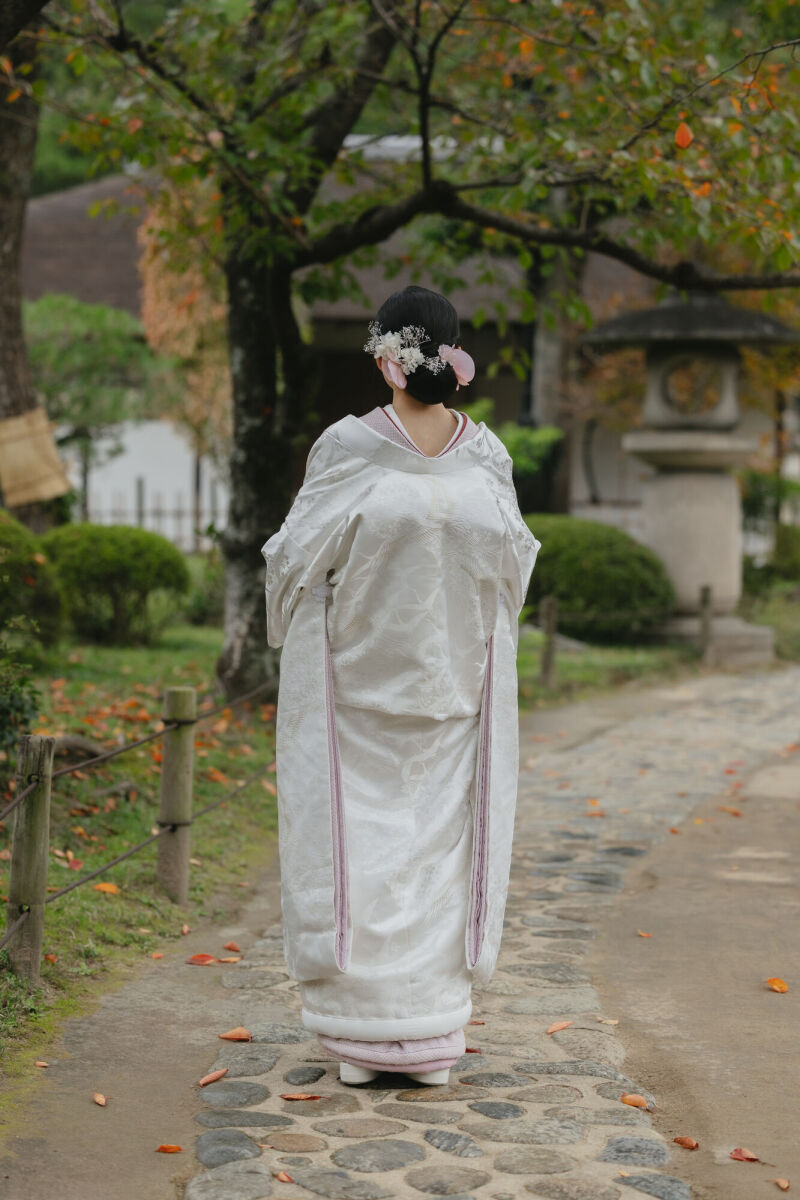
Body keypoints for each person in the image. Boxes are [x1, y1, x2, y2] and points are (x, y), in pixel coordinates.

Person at [262, 285, 540, 1086]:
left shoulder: (374, 449)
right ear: (448, 356)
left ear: (387, 357)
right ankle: (375, 1033)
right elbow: (511, 563)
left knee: (427, 857)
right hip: (371, 694)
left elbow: (293, 562)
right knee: (378, 853)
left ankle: (421, 1032)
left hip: (444, 690)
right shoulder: (431, 454)